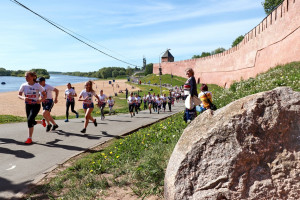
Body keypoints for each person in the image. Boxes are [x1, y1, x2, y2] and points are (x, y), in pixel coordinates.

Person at [18, 71, 47, 144]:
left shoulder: (37, 85)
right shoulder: (23, 85)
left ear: (33, 77)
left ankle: (29, 138)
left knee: (30, 119)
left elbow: (45, 95)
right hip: (28, 105)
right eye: (25, 76)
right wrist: (23, 98)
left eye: (27, 76)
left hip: (36, 105)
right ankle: (40, 122)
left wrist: (40, 100)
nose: (26, 78)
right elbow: (19, 95)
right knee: (29, 121)